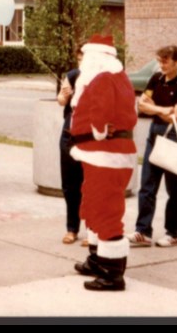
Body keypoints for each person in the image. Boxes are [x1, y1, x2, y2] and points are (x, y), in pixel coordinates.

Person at [69, 35, 138, 291]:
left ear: (95, 57)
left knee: (105, 208)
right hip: (103, 153)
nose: (83, 62)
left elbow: (100, 116)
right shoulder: (117, 77)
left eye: (85, 57)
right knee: (93, 202)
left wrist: (96, 131)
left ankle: (112, 273)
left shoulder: (101, 79)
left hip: (104, 153)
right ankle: (98, 258)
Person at [128, 44, 177, 249]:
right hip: (154, 134)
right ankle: (143, 231)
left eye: (165, 61)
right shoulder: (155, 79)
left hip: (173, 136)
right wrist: (163, 109)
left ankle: (174, 233)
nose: (161, 65)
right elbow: (142, 105)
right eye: (159, 61)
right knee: (147, 185)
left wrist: (154, 108)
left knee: (175, 189)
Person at [57, 50, 84, 245]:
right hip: (69, 134)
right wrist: (66, 95)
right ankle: (71, 228)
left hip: (88, 137)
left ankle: (93, 230)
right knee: (69, 185)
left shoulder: (100, 77)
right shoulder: (73, 75)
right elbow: (61, 100)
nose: (82, 61)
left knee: (89, 185)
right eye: (80, 57)